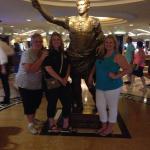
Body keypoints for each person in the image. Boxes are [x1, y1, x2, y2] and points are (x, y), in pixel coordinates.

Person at [31, 0, 104, 112]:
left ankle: (99, 105)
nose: (79, 7)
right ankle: (79, 106)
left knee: (91, 85)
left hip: (88, 59)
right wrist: (40, 9)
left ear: (88, 6)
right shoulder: (71, 21)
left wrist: (102, 45)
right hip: (73, 58)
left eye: (82, 4)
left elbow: (101, 37)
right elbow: (52, 19)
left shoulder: (95, 22)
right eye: (78, 5)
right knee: (75, 86)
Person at [88, 35, 131, 136]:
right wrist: (90, 75)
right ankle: (104, 126)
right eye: (106, 42)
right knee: (100, 106)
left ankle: (110, 128)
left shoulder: (117, 56)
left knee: (112, 107)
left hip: (112, 87)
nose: (108, 44)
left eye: (110, 42)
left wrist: (116, 76)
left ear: (115, 44)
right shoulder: (101, 54)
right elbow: (96, 65)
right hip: (99, 85)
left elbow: (128, 69)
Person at [16, 33, 48, 134]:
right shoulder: (27, 53)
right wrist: (42, 58)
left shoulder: (41, 52)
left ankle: (33, 120)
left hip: (37, 84)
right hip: (26, 83)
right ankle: (30, 124)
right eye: (36, 41)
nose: (39, 43)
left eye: (40, 41)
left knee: (35, 103)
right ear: (31, 42)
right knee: (29, 105)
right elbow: (30, 70)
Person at [42, 32, 72, 132]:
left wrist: (66, 78)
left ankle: (65, 121)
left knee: (67, 103)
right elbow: (48, 68)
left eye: (58, 39)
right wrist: (61, 79)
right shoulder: (47, 53)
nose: (56, 41)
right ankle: (51, 122)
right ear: (51, 41)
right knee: (52, 103)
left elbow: (68, 66)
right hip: (52, 83)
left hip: (63, 83)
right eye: (54, 39)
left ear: (61, 41)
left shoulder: (65, 53)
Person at [0, 40, 12, 104]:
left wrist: (3, 68)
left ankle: (7, 99)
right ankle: (7, 99)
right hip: (2, 67)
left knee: (5, 84)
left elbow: (3, 57)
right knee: (5, 84)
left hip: (2, 67)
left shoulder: (1, 45)